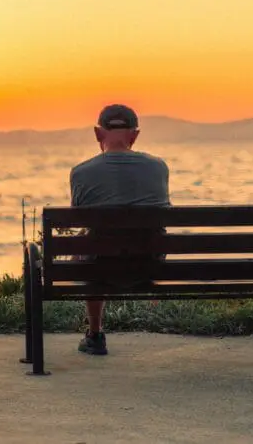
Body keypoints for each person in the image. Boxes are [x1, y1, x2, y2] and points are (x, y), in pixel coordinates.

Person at [69, 104, 171, 355]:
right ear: (134, 135)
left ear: (97, 134)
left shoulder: (81, 172)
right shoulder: (158, 167)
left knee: (88, 243)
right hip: (147, 265)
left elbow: (78, 220)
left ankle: (95, 334)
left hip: (100, 269)